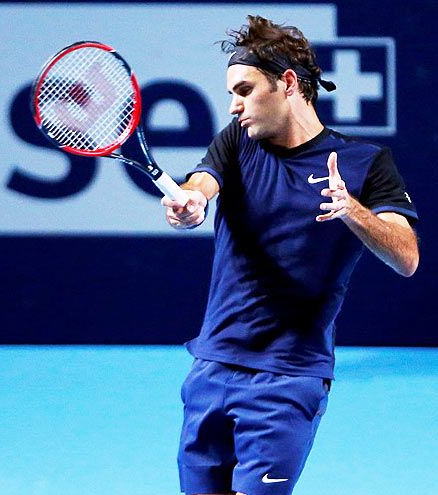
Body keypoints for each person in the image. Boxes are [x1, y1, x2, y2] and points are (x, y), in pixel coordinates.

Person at [161, 15, 419, 495]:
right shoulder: (237, 142)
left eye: (244, 89)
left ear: (287, 83)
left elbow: (407, 257)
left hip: (288, 378)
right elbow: (202, 186)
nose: (235, 106)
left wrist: (354, 212)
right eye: (230, 95)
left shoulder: (367, 163)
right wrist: (192, 203)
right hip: (212, 368)